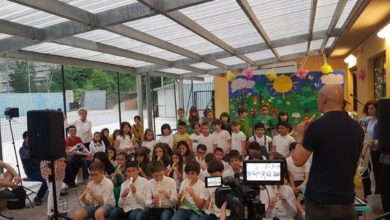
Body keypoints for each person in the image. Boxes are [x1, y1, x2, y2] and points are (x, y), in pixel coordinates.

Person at [292, 84, 364, 220]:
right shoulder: (357, 127)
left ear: (324, 99)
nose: (318, 101)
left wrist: (300, 135)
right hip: (347, 198)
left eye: (318, 98)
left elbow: (298, 161)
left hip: (321, 201)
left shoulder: (317, 126)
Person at [19, 131, 47, 206]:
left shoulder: (35, 146)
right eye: (29, 137)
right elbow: (28, 155)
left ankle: (55, 192)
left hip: (41, 169)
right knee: (47, 178)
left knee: (54, 173)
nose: (31, 139)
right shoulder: (22, 150)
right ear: (25, 139)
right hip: (32, 172)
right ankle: (38, 197)